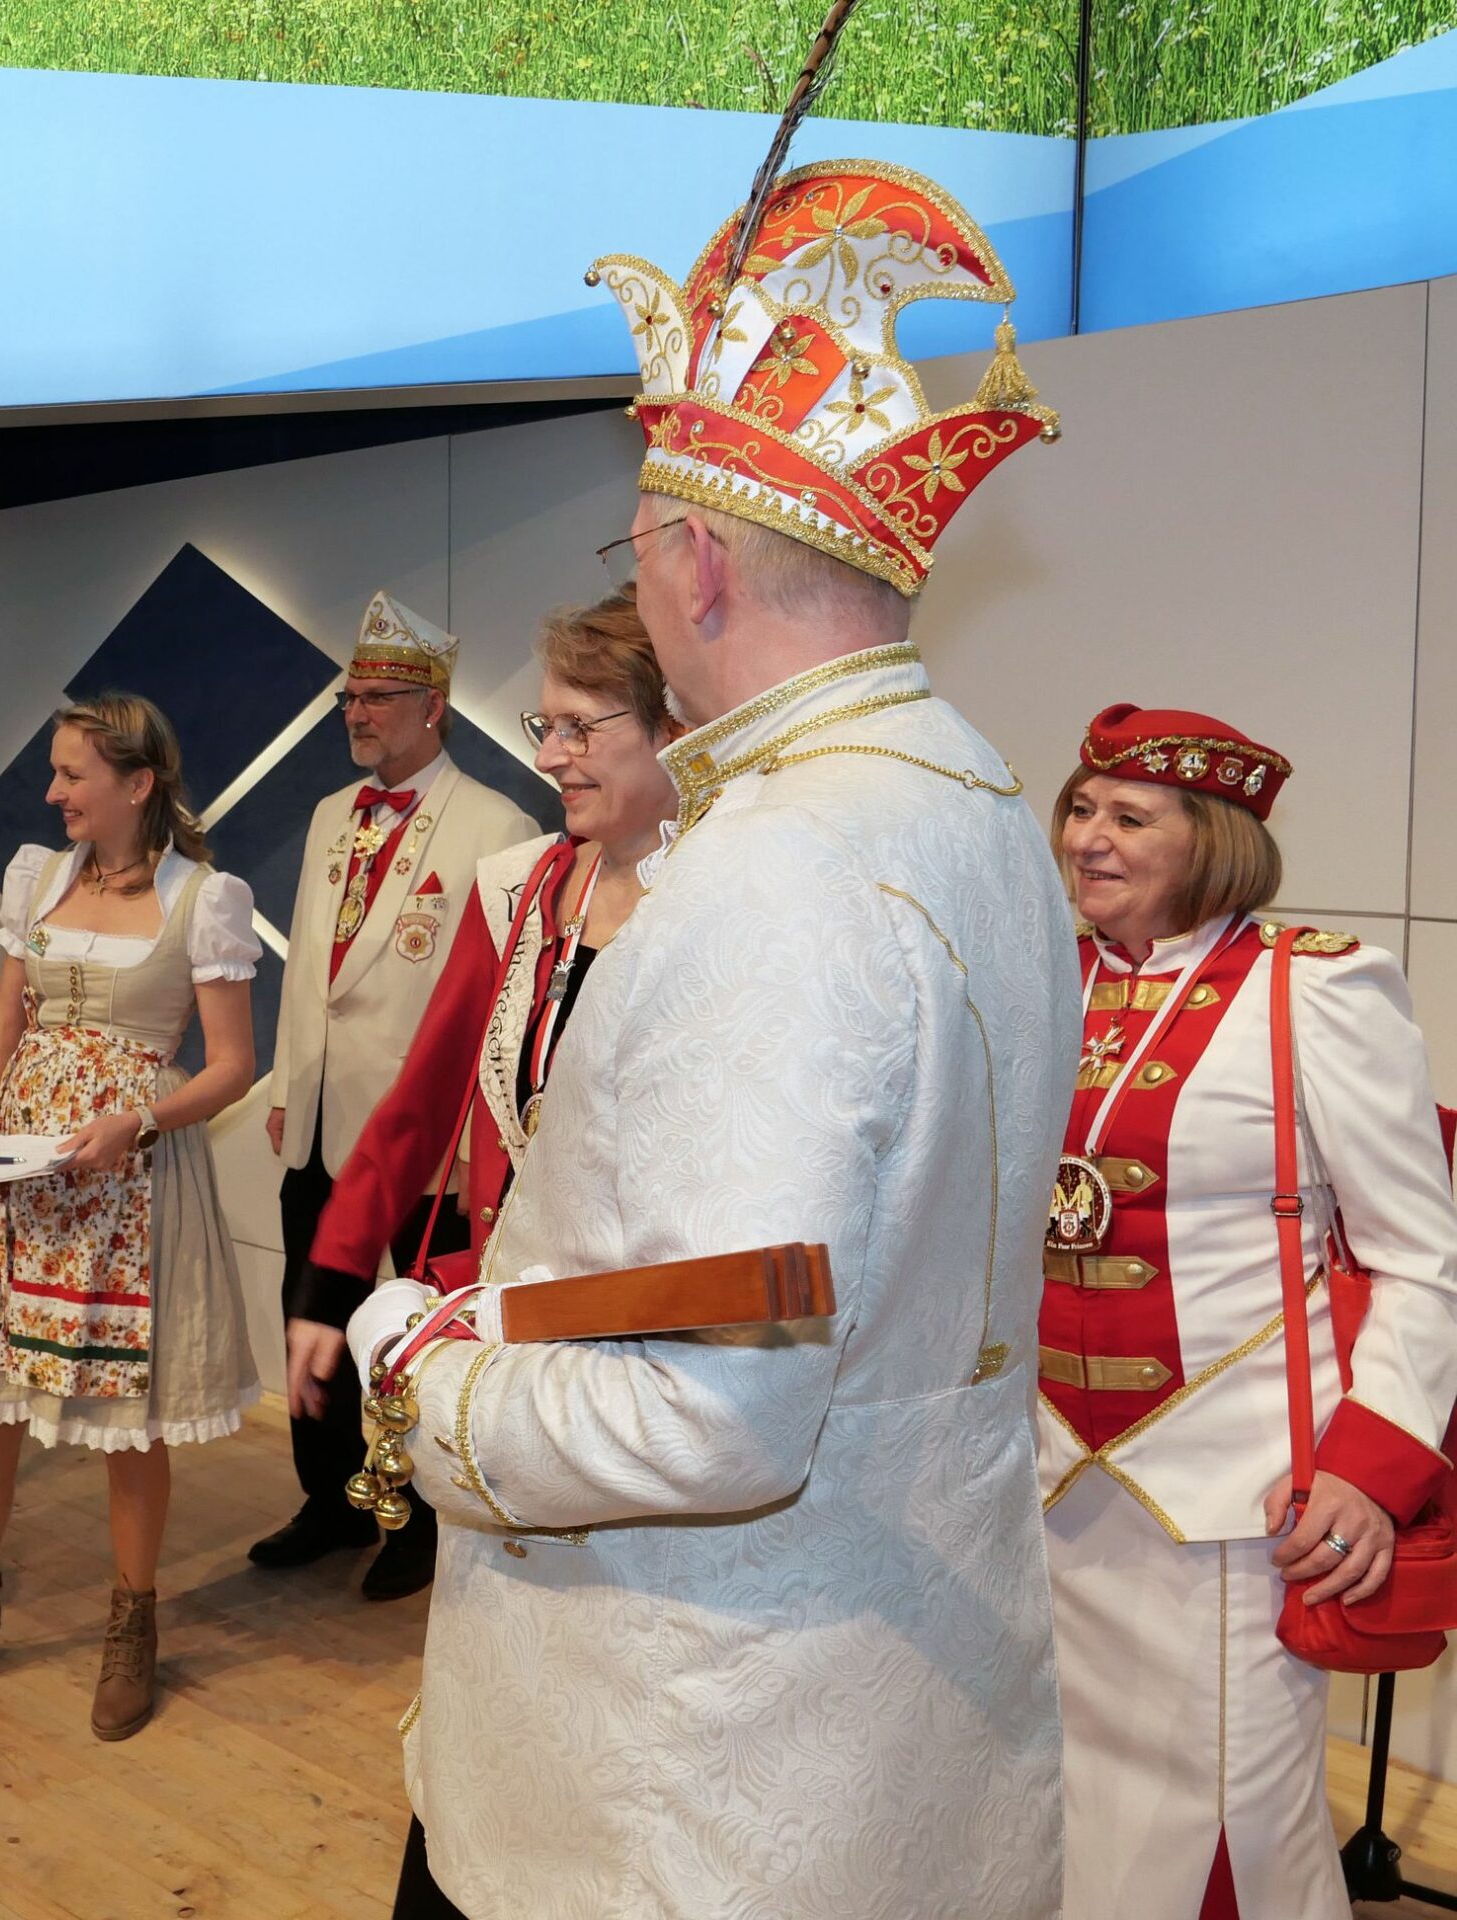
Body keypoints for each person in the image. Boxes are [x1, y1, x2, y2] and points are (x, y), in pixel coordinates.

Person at [348, 158, 1078, 1916]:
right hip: (892, 1719)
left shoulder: (774, 869)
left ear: (693, 560)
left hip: (680, 1775)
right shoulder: (977, 794)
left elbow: (713, 1418)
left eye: (638, 550)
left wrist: (424, 1381)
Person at [1039, 704, 1457, 1918]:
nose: (1088, 837)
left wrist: (1370, 1469)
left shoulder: (1312, 988)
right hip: (1050, 1478)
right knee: (1074, 1808)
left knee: (1230, 1820)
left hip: (1242, 1490)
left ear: (1211, 841)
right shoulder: (1042, 980)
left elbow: (1423, 1255)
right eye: (1079, 808)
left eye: (1130, 818)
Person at [0, 693, 259, 1741]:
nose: (52, 793)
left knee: (127, 1418)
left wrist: (137, 1120)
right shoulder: (39, 876)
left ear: (137, 783)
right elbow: (7, 1016)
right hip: (23, 1177)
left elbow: (232, 1066)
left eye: (72, 774)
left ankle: (133, 1623)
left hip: (126, 1181)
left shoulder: (203, 898)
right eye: (54, 772)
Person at [285, 595, 678, 1427]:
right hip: (516, 1315)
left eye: (578, 728)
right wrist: (331, 1283)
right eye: (548, 726)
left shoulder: (727, 893)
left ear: (672, 728)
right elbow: (421, 1101)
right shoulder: (519, 887)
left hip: (660, 1335)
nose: (548, 756)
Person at [256, 592, 537, 1600]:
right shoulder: (331, 816)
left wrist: (471, 1136)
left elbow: (499, 1004)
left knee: (416, 1334)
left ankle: (419, 1522)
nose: (357, 713)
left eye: (377, 698)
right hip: (321, 1120)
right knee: (313, 1311)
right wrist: (289, 1080)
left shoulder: (499, 827)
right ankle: (329, 1499)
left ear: (434, 708)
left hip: (426, 1138)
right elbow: (307, 970)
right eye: (350, 697)